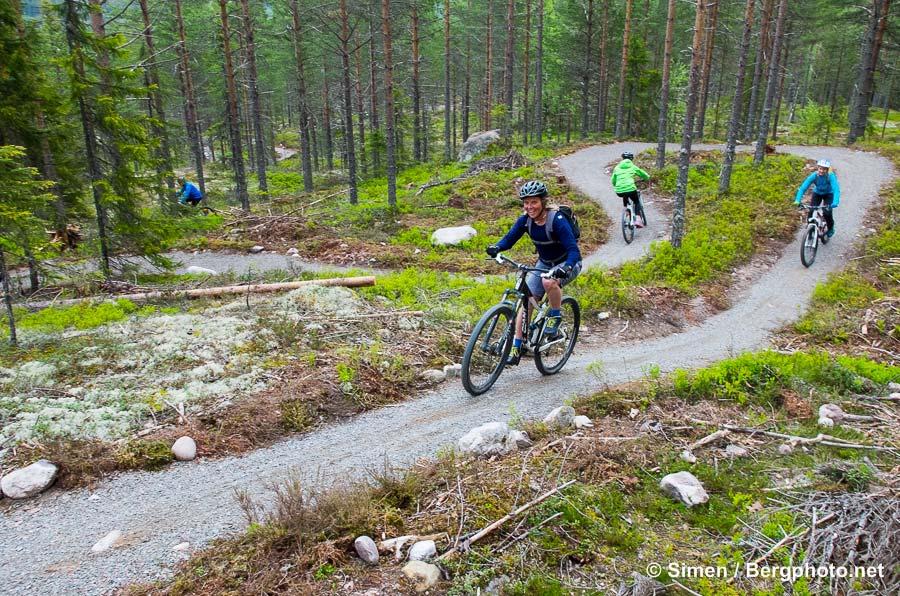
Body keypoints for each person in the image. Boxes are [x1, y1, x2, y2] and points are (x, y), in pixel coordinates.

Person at [486, 180, 583, 366]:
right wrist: (497, 247)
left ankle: (555, 315)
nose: (529, 207)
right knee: (526, 301)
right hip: (544, 262)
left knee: (549, 282)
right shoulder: (525, 220)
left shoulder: (557, 220)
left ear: (543, 202)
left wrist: (566, 267)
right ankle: (516, 347)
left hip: (568, 262)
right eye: (526, 202)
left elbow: (574, 250)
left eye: (534, 202)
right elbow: (509, 239)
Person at [795, 159, 840, 238]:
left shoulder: (830, 176)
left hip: (828, 194)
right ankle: (810, 231)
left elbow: (836, 189)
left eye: (824, 169)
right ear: (818, 168)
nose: (822, 171)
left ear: (827, 170)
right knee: (811, 211)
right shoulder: (814, 176)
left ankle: (830, 228)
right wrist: (797, 200)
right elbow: (803, 188)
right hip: (817, 193)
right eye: (820, 168)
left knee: (827, 213)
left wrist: (835, 202)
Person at [611, 151, 650, 227]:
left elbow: (613, 180)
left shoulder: (617, 167)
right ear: (631, 159)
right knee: (636, 201)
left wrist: (617, 185)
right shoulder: (633, 167)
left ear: (622, 158)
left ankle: (627, 211)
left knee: (625, 194)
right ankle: (638, 219)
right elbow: (643, 174)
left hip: (619, 191)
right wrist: (647, 178)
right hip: (630, 188)